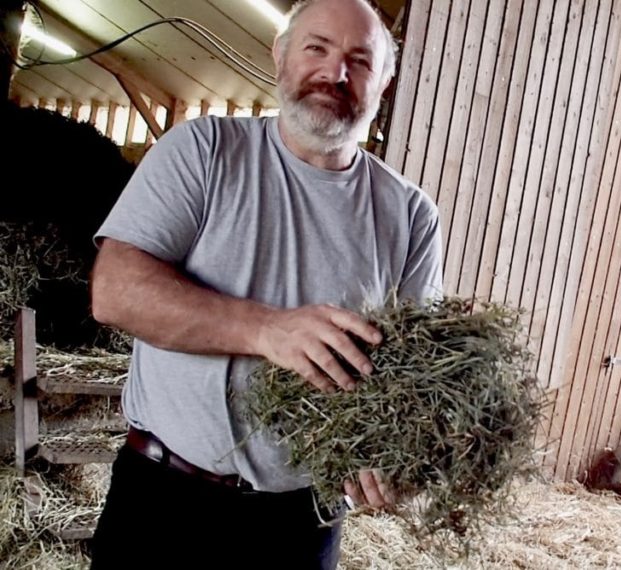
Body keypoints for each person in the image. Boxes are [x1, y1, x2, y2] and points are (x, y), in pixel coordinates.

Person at [87, 0, 442, 567]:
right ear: (280, 56)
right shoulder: (202, 152)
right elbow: (114, 291)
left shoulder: (408, 215)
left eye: (359, 60)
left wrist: (397, 457)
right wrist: (267, 330)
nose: (335, 74)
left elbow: (413, 377)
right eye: (316, 48)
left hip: (300, 525)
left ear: (385, 82)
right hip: (163, 504)